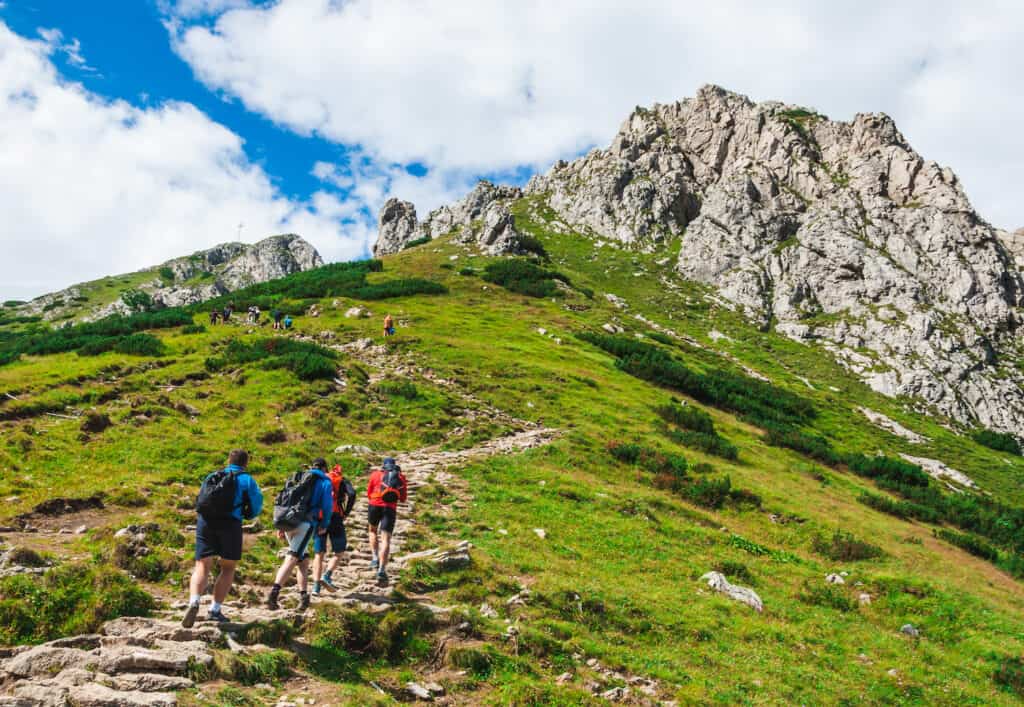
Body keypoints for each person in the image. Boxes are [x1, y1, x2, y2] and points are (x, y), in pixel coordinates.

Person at [182, 449, 263, 627]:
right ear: (246, 463)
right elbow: (256, 506)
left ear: (228, 460)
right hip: (230, 524)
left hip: (206, 522)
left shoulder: (213, 475)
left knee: (202, 565)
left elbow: (201, 499)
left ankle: (194, 601)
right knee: (227, 567)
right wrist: (248, 514)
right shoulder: (247, 480)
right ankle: (215, 610)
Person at [266, 458, 333, 611]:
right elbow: (327, 506)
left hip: (288, 521)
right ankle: (273, 594)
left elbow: (285, 500)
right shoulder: (324, 482)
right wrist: (324, 524)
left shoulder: (298, 477)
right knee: (292, 557)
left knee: (303, 561)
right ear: (324, 468)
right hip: (306, 524)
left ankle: (304, 597)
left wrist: (281, 526)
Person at [312, 464, 357, 596]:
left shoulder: (318, 480)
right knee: (340, 551)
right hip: (336, 517)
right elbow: (352, 494)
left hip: (319, 517)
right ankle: (327, 575)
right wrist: (346, 512)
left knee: (318, 553)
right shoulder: (341, 479)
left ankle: (315, 586)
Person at [366, 456, 407, 584]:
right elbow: (403, 498)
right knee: (386, 539)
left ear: (383, 466)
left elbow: (369, 492)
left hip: (374, 505)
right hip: (389, 509)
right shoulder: (400, 477)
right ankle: (382, 570)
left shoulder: (375, 474)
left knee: (372, 531)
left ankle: (374, 558)